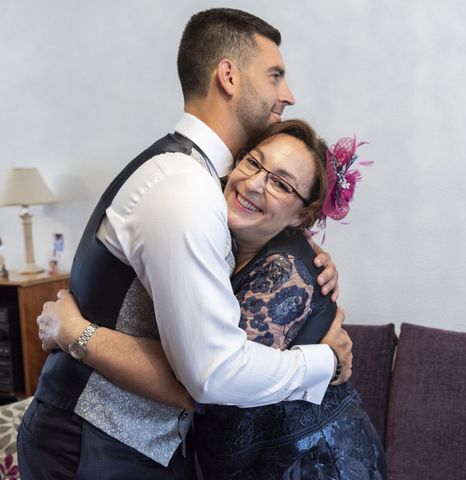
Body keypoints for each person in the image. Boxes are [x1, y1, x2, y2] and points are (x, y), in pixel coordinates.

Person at [19, 8, 352, 479]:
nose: (288, 94)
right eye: (275, 75)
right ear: (229, 76)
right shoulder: (185, 189)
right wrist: (325, 359)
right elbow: (211, 372)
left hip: (142, 447)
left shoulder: (211, 183)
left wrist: (304, 254)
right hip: (93, 446)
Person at [39, 119, 387, 478]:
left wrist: (74, 331)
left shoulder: (285, 273)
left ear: (303, 215)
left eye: (280, 184)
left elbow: (204, 381)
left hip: (313, 464)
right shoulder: (211, 218)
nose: (253, 185)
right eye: (252, 162)